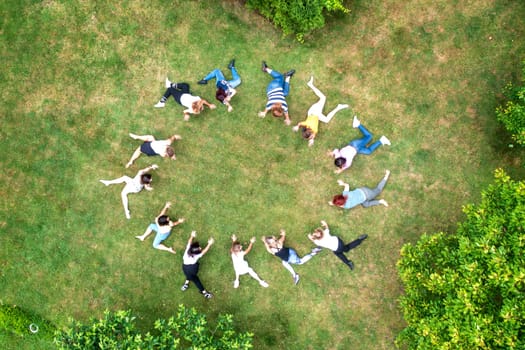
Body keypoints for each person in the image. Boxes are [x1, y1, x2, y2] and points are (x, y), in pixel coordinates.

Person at [292, 76, 349, 146]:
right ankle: (338, 107)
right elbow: (303, 126)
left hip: (314, 111)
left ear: (310, 131)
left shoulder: (308, 125)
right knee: (327, 120)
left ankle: (310, 85)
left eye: (311, 137)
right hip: (316, 115)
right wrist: (311, 139)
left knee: (323, 98)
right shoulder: (312, 129)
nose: (312, 137)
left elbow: (300, 124)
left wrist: (297, 127)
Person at [258, 61, 295, 125]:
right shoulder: (269, 105)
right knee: (285, 92)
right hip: (270, 90)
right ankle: (288, 77)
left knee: (280, 77)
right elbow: (266, 110)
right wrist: (264, 113)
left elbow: (286, 113)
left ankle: (265, 69)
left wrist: (287, 119)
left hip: (274, 87)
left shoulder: (284, 105)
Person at [181, 231, 214, 299]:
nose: (200, 248)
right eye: (199, 249)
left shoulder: (188, 250)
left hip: (184, 267)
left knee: (189, 275)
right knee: (196, 280)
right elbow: (204, 251)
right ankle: (204, 293)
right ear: (195, 253)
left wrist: (192, 236)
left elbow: (189, 242)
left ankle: (186, 284)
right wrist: (209, 244)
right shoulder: (196, 256)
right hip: (192, 268)